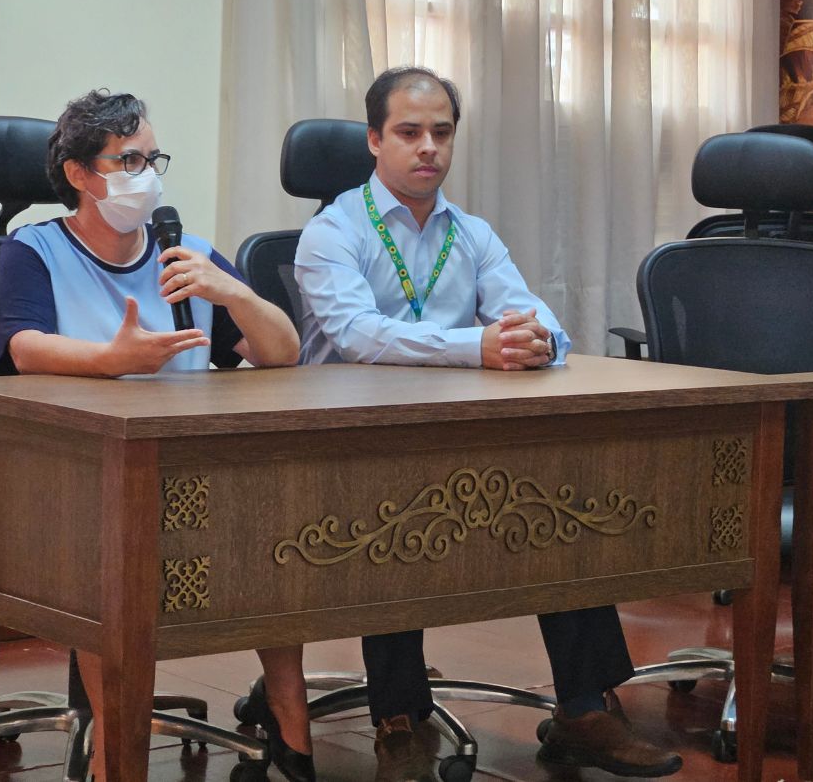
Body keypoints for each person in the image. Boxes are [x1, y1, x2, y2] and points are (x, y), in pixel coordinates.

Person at [283, 67, 684, 780]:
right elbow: (357, 335)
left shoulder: (471, 233)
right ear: (374, 139)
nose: (428, 147)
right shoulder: (332, 232)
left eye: (441, 133)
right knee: (395, 513)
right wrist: (479, 345)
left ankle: (584, 710)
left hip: (457, 428)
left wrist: (541, 340)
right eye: (409, 132)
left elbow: (532, 314)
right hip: (350, 444)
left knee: (562, 498)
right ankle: (400, 721)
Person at [0, 89, 301, 782]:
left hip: (188, 468)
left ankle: (292, 720)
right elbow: (24, 347)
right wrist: (112, 359)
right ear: (79, 174)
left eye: (152, 159)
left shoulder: (186, 254)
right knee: (108, 552)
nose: (147, 175)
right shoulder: (35, 249)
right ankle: (113, 752)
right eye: (127, 160)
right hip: (79, 473)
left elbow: (283, 353)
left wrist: (235, 293)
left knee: (277, 524)